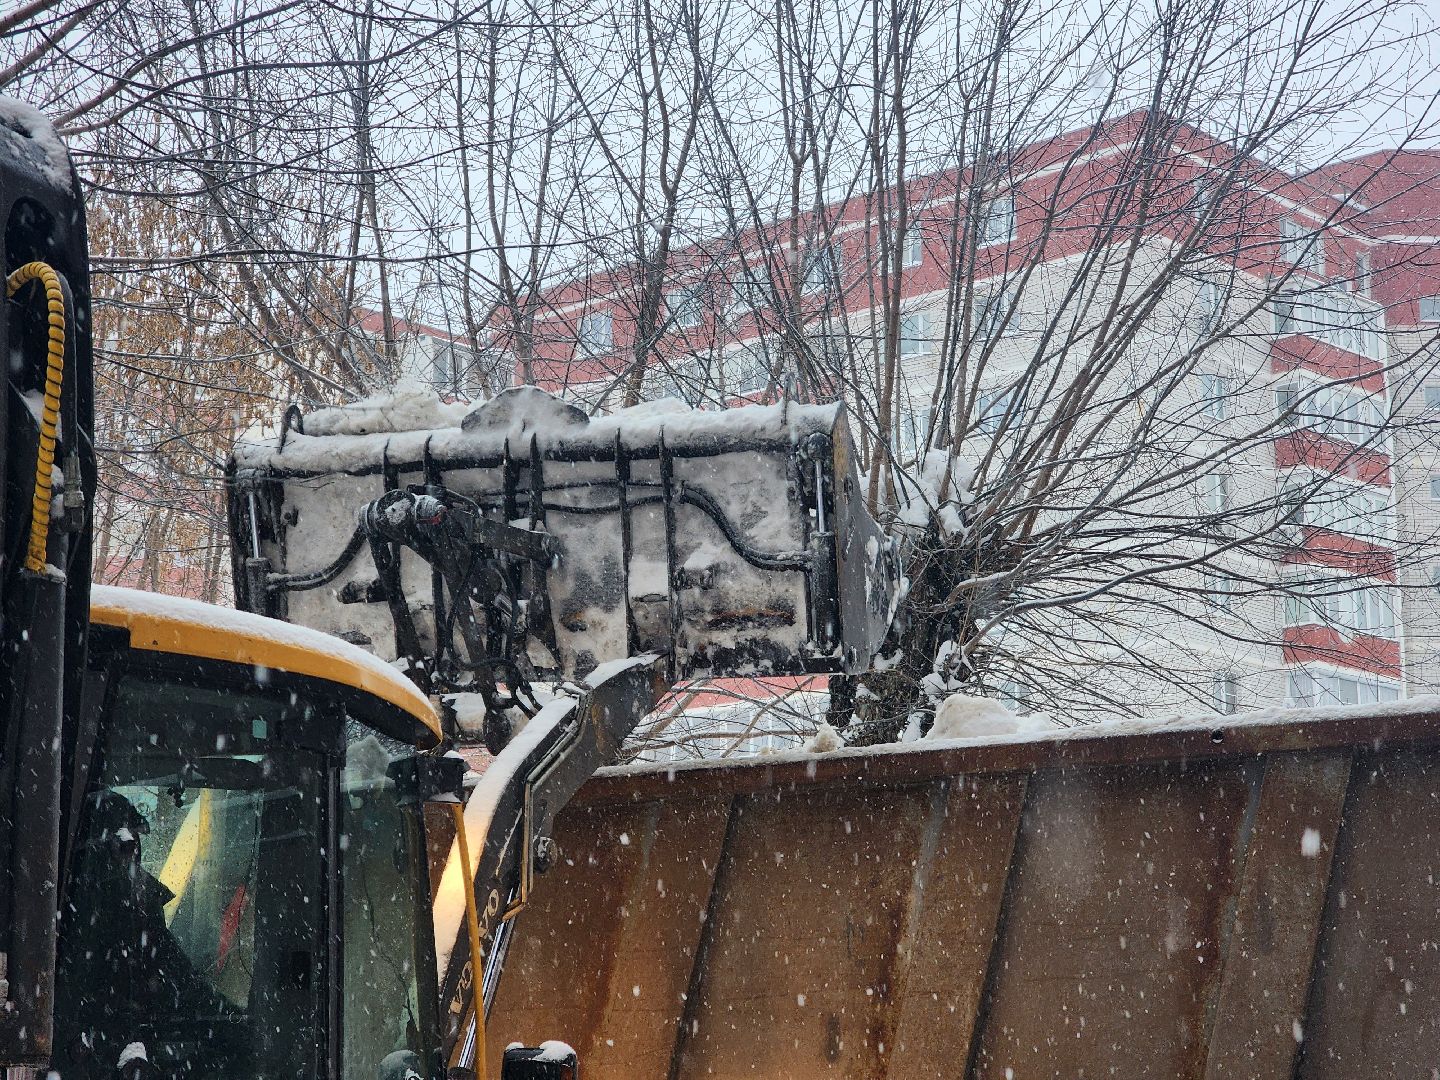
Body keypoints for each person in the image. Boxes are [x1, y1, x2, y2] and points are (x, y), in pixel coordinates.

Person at [54, 790, 237, 1079]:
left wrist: (235, 1022)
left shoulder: (141, 913)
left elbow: (179, 982)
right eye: (121, 844)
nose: (131, 852)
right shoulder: (71, 925)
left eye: (133, 843)